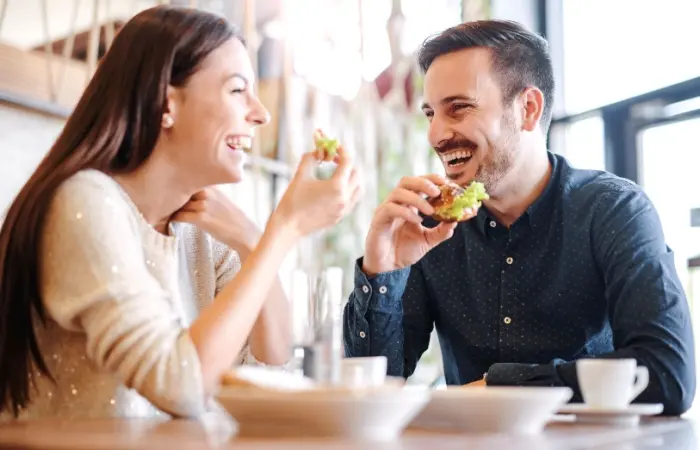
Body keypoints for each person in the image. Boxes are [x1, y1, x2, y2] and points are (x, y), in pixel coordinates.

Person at [0, 6, 360, 419]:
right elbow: (181, 386)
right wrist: (285, 229)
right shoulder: (83, 203)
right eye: (238, 90)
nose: (260, 113)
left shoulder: (203, 231)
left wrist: (253, 240)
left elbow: (273, 364)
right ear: (166, 103)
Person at [343, 19, 695, 415]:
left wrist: (504, 385)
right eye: (430, 114)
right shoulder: (429, 228)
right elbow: (368, 393)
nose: (436, 135)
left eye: (458, 108)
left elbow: (668, 374)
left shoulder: (613, 210)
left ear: (527, 109)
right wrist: (381, 270)